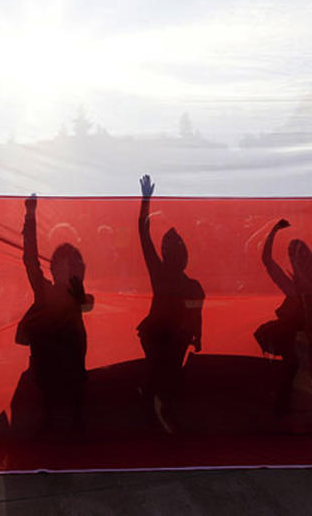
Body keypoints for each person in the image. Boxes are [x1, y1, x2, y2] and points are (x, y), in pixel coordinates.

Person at [16, 193, 94, 435]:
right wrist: (30, 216)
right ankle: (51, 425)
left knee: (75, 390)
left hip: (71, 358)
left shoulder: (76, 293)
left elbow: (87, 304)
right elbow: (30, 259)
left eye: (71, 264)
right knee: (50, 394)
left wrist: (79, 296)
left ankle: (77, 427)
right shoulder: (44, 290)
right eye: (61, 263)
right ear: (53, 266)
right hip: (47, 360)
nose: (65, 268)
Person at [136, 174, 204, 432]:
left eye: (177, 248)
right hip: (157, 333)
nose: (174, 251)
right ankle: (151, 406)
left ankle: (162, 407)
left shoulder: (191, 285)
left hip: (176, 335)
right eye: (170, 247)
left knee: (169, 372)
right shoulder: (160, 272)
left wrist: (196, 335)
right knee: (157, 370)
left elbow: (196, 314)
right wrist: (145, 201)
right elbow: (143, 234)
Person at [256, 218, 312, 411]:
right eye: (293, 254)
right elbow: (267, 260)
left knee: (311, 372)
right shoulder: (291, 286)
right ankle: (288, 405)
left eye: (301, 254)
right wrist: (273, 231)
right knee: (293, 372)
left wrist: (301, 274)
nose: (296, 258)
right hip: (295, 340)